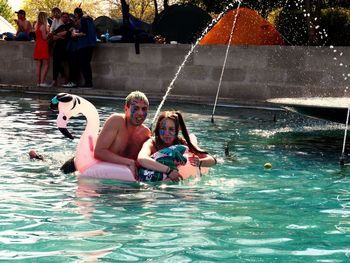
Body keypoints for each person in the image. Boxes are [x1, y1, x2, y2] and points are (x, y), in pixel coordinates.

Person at [137, 111, 216, 182]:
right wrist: (169, 171)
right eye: (163, 128)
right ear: (158, 129)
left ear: (177, 130)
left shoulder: (182, 143)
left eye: (171, 129)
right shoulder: (152, 143)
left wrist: (200, 162)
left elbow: (212, 160)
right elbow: (141, 159)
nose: (166, 133)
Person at [94, 91, 151, 177]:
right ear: (126, 108)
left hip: (124, 179)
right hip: (102, 175)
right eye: (136, 108)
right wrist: (129, 162)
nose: (140, 113)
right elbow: (99, 152)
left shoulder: (145, 133)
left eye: (144, 109)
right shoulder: (117, 121)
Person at [71, 7, 96, 88]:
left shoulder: (83, 20)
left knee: (84, 64)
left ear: (76, 14)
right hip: (91, 44)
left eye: (75, 16)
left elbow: (84, 33)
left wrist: (75, 34)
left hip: (85, 45)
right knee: (86, 64)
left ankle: (88, 83)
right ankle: (88, 82)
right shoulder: (89, 20)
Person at [51, 12, 73, 86]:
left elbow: (67, 34)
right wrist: (60, 36)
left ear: (68, 18)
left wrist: (60, 34)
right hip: (58, 47)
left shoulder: (71, 25)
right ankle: (55, 80)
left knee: (68, 64)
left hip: (67, 48)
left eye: (66, 17)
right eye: (63, 17)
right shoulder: (60, 26)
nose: (64, 18)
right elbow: (53, 36)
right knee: (56, 63)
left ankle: (68, 80)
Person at [33, 11, 50, 87]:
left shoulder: (36, 25)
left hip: (38, 46)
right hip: (43, 45)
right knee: (46, 64)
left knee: (38, 65)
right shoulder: (43, 26)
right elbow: (44, 37)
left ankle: (38, 82)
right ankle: (42, 82)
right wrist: (49, 32)